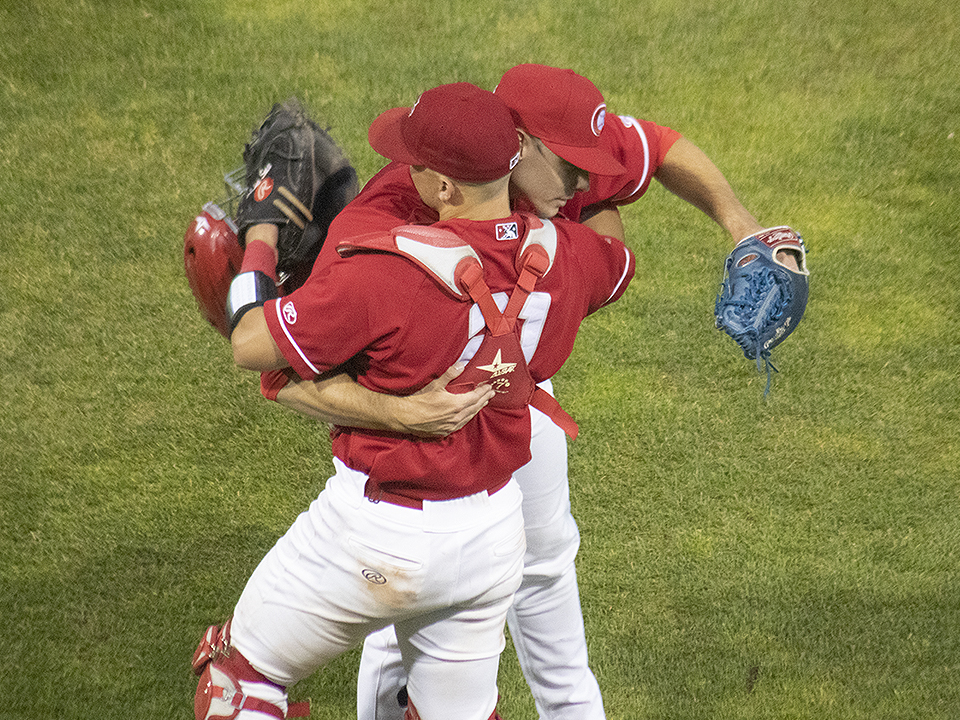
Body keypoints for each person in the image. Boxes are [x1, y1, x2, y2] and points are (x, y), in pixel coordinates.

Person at [258, 64, 788, 720]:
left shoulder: (549, 155)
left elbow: (655, 146)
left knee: (541, 586)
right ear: (520, 147)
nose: (587, 182)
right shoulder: (390, 217)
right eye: (574, 171)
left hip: (509, 413)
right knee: (422, 630)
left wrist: (741, 223)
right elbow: (298, 373)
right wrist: (396, 411)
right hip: (429, 440)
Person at [193, 82, 635, 720]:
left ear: (447, 188)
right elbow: (616, 255)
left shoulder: (385, 275)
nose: (406, 172)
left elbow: (251, 340)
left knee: (238, 684)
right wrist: (604, 170)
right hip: (488, 546)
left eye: (416, 165)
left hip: (373, 536)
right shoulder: (566, 259)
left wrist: (260, 227)